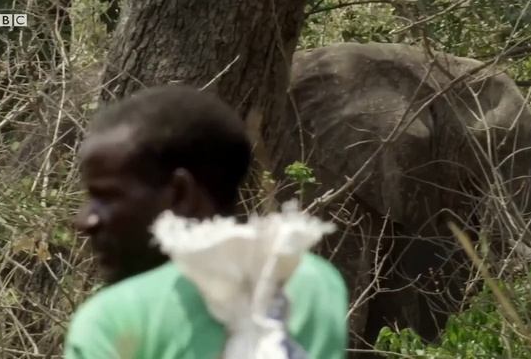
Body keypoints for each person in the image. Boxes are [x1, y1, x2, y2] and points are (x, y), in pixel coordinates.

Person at [64, 85, 349, 358]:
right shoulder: (313, 282)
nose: (85, 221)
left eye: (107, 197)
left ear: (180, 194)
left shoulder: (110, 320)